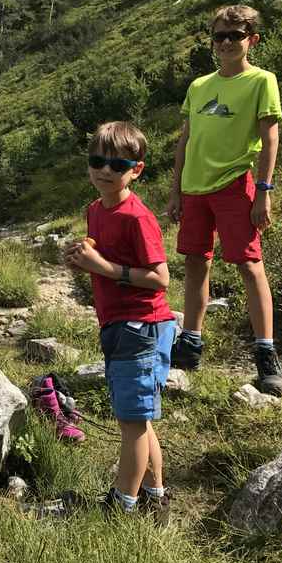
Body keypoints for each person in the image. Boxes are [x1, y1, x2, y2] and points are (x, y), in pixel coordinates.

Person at [165, 4, 282, 395]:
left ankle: (266, 353)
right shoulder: (199, 86)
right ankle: (190, 342)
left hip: (236, 184)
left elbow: (270, 138)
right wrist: (176, 190)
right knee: (196, 264)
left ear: (252, 40)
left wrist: (264, 192)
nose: (225, 43)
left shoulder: (261, 81)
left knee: (250, 266)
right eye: (219, 35)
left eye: (235, 35)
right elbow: (186, 139)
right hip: (195, 189)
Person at [64, 122, 174, 514]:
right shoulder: (95, 210)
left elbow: (160, 278)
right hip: (116, 324)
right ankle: (154, 498)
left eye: (117, 164)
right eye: (97, 161)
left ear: (136, 170)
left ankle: (122, 504)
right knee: (139, 420)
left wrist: (106, 268)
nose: (105, 170)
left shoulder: (137, 217)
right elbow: (104, 261)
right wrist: (84, 263)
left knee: (131, 422)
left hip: (141, 326)